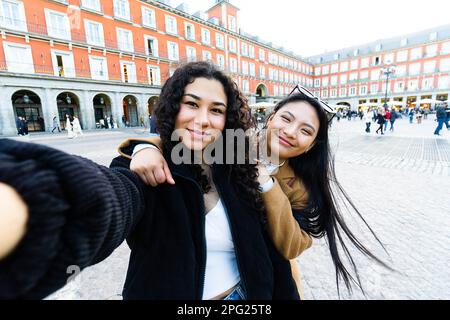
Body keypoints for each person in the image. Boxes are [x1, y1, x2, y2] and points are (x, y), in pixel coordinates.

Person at [0, 62, 299, 300]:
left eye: (217, 110)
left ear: (227, 119)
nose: (204, 119)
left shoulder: (237, 167)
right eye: (191, 104)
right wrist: (36, 203)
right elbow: (111, 196)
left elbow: (271, 254)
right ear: (172, 107)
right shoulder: (145, 166)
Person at [119, 87, 391, 295]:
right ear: (271, 118)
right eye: (286, 118)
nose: (291, 131)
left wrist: (267, 184)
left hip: (256, 282)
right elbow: (186, 141)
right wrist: (145, 147)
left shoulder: (304, 187)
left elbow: (292, 245)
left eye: (306, 131)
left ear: (311, 145)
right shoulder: (235, 144)